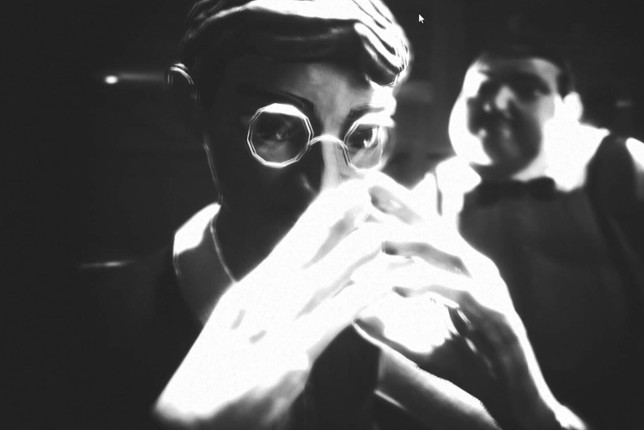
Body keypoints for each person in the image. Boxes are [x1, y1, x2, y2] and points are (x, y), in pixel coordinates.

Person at [82, 1, 587, 430]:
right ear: (193, 106)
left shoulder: (384, 334)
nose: (325, 187)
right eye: (275, 129)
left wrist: (529, 401)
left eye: (363, 136)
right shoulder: (85, 324)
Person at [427, 20, 644, 430]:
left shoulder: (618, 163)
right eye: (481, 87)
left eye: (526, 88)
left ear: (569, 108)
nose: (496, 102)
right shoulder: (438, 188)